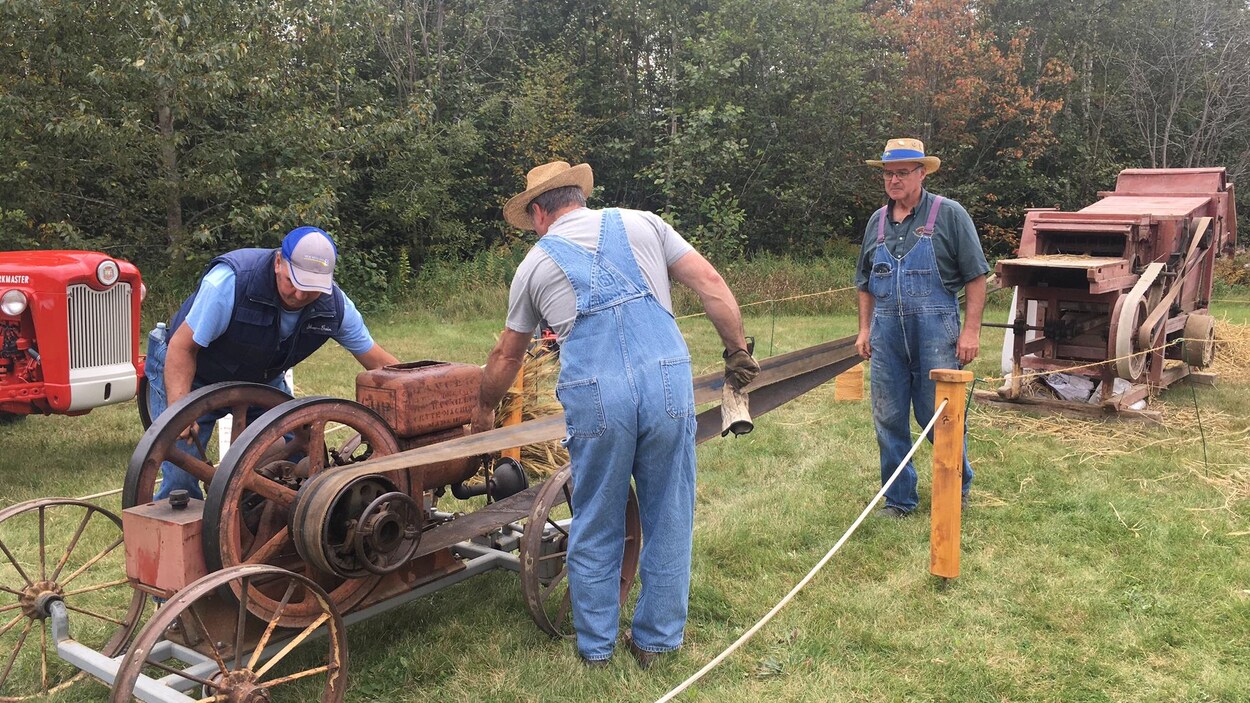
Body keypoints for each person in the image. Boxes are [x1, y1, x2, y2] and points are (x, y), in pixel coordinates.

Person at [472, 161, 759, 667]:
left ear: (539, 213)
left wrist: (483, 408)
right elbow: (710, 282)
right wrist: (737, 351)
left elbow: (505, 358)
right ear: (578, 198)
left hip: (597, 394)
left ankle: (597, 650)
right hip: (667, 381)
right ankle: (657, 643)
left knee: (597, 520)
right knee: (668, 514)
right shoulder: (645, 222)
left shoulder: (535, 265)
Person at [145, 226, 399, 500]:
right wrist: (179, 409)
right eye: (293, 282)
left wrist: (421, 386)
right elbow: (183, 348)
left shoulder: (335, 307)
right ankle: (173, 535)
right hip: (193, 372)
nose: (300, 295)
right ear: (279, 262)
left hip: (260, 378)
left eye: (311, 289)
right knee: (181, 473)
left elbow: (377, 362)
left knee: (305, 456)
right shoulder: (231, 282)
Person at [854, 138, 989, 519]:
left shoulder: (949, 215)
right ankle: (899, 499)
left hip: (936, 334)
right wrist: (864, 331)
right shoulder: (876, 222)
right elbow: (864, 283)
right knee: (888, 416)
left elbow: (977, 276)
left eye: (902, 172)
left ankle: (955, 486)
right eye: (887, 173)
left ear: (922, 172)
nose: (893, 180)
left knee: (940, 415)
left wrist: (971, 332)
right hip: (887, 337)